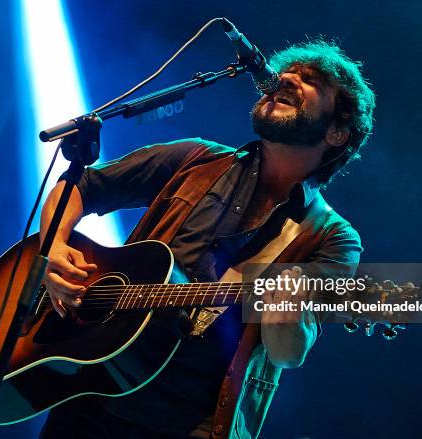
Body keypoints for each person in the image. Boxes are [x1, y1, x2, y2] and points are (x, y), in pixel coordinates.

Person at [38, 39, 375, 439]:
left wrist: (288, 303)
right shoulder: (195, 159)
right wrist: (53, 249)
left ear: (337, 132)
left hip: (186, 426)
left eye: (310, 80)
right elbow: (80, 186)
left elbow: (288, 354)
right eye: (288, 72)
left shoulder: (331, 236)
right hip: (89, 396)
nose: (285, 77)